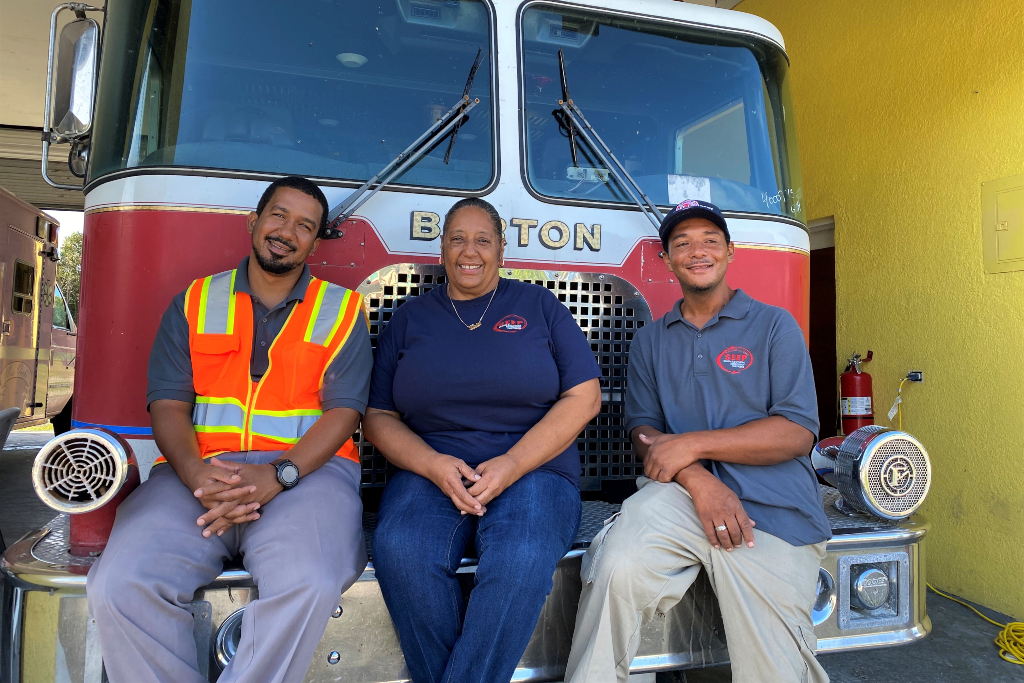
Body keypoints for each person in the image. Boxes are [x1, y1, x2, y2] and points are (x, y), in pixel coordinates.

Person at [87, 176, 372, 683]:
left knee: (310, 581)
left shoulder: (344, 309)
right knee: (119, 582)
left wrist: (279, 475)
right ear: (254, 221)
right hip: (197, 476)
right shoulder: (193, 302)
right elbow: (169, 405)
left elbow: (344, 413)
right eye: (279, 216)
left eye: (305, 226)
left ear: (315, 241)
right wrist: (197, 473)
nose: (288, 231)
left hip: (306, 478)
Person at [565, 200, 831, 683]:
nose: (697, 251)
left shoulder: (775, 326)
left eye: (710, 240)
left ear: (730, 252)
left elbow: (796, 431)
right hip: (681, 498)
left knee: (776, 669)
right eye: (682, 243)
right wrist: (695, 478)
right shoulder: (650, 340)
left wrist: (690, 444)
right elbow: (643, 431)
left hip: (773, 515)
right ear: (667, 260)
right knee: (615, 566)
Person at [363, 197, 602, 683]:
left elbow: (584, 397)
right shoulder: (410, 318)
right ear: (442, 248)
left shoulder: (539, 306)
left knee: (522, 553)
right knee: (401, 549)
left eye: (482, 240)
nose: (469, 251)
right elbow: (379, 416)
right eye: (457, 239)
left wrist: (513, 463)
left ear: (501, 249)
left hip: (535, 468)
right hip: (428, 470)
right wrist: (431, 464)